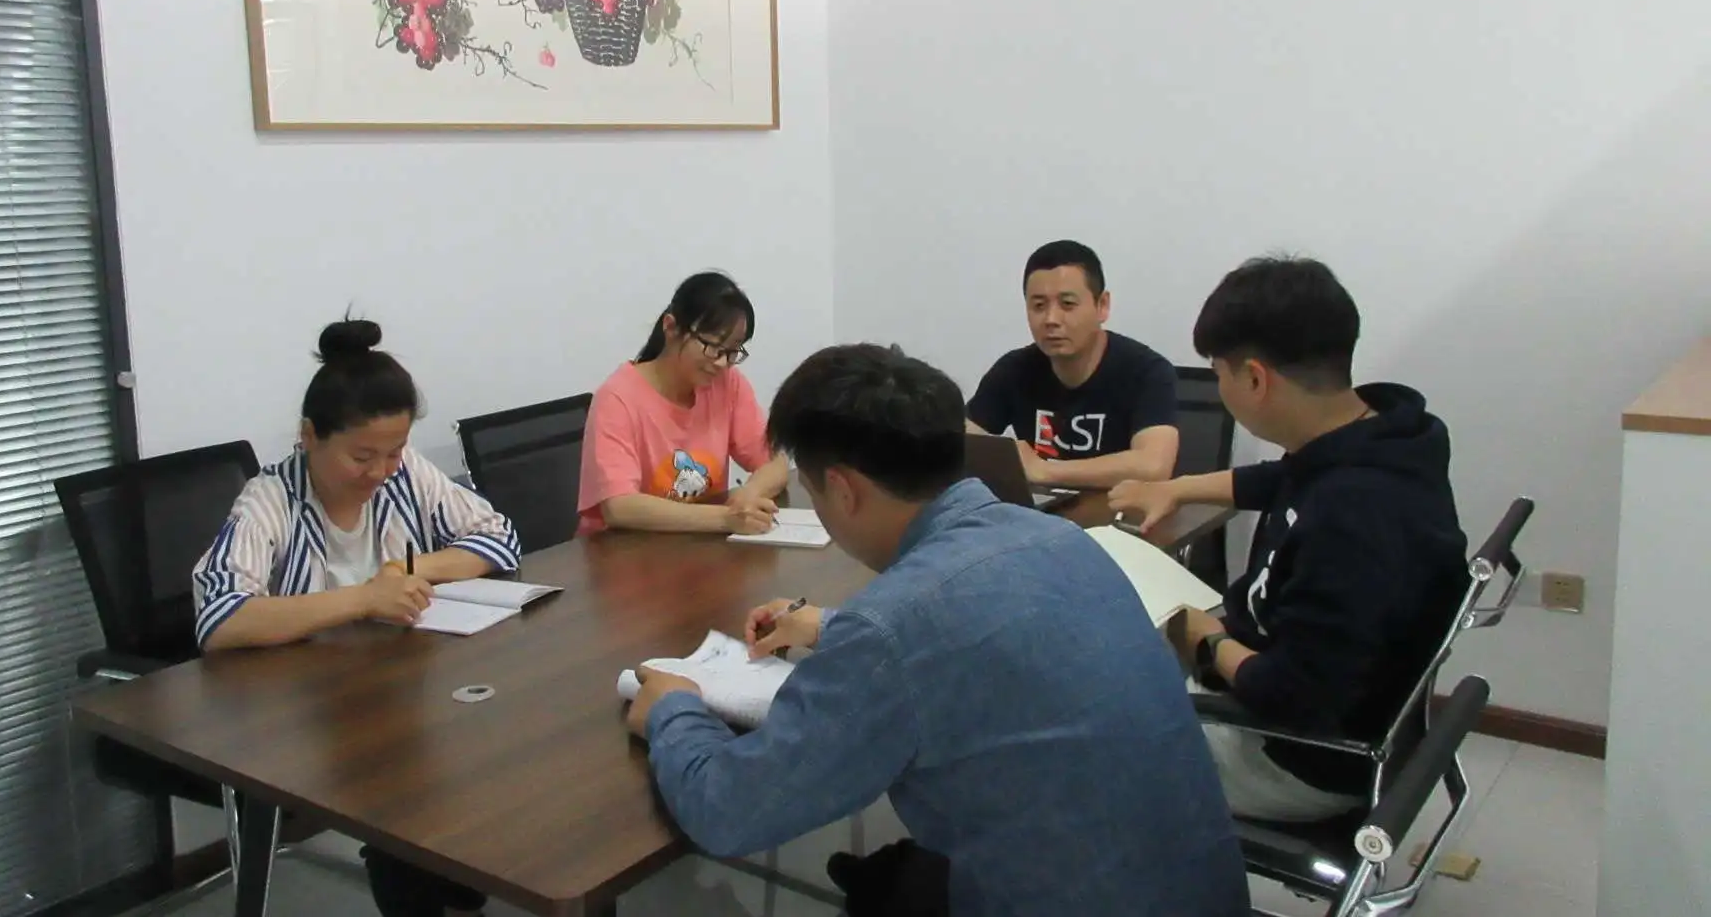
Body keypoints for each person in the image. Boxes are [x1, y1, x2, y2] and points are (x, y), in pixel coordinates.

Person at [624, 344, 1249, 917]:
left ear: (841, 489)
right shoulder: (1059, 537)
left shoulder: (891, 629)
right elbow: (972, 635)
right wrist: (831, 627)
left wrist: (674, 709)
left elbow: (729, 812)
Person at [1110, 257, 1469, 822]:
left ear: (1255, 379)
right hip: (1315, 697)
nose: (1220, 386)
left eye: (1220, 373)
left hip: (1297, 757)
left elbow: (1293, 696)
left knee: (1076, 730)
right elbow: (1278, 480)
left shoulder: (1353, 517)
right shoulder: (1380, 439)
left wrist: (1205, 640)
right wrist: (1175, 489)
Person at [191, 318, 520, 917]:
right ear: (309, 436)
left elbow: (498, 538)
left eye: (394, 452)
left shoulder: (405, 473)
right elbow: (221, 619)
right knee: (403, 788)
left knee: (492, 740)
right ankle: (419, 871)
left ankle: (445, 864)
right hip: (299, 717)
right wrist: (366, 598)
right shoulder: (271, 501)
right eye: (361, 456)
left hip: (394, 694)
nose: (381, 471)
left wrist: (413, 568)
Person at [577, 271, 790, 534]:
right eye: (712, 346)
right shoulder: (617, 398)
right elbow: (619, 506)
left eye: (732, 351)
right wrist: (726, 518)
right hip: (622, 549)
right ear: (671, 328)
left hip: (695, 545)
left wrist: (750, 494)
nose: (722, 362)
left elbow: (776, 462)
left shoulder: (727, 384)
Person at [967, 240, 1181, 489]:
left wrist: (1044, 470)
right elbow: (959, 443)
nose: (1051, 319)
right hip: (1040, 511)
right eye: (1038, 306)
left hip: (1117, 511)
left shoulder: (1146, 371)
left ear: (1102, 305)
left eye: (1067, 304)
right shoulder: (1013, 370)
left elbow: (1153, 466)